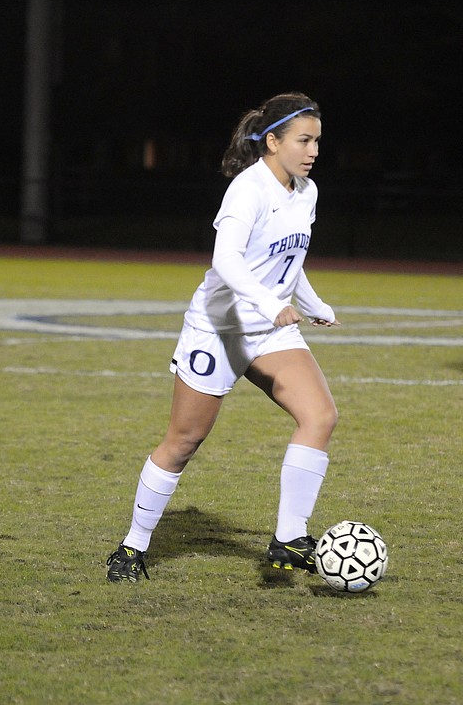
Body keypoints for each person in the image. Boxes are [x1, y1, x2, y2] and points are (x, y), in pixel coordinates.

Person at [106, 92, 340, 582]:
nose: (313, 149)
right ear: (272, 141)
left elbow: (288, 262)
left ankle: (289, 538)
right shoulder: (248, 190)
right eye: (303, 140)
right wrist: (272, 304)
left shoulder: (307, 191)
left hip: (268, 331)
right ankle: (132, 546)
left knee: (319, 415)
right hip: (218, 329)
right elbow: (226, 261)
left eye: (317, 140)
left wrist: (313, 305)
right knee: (184, 439)